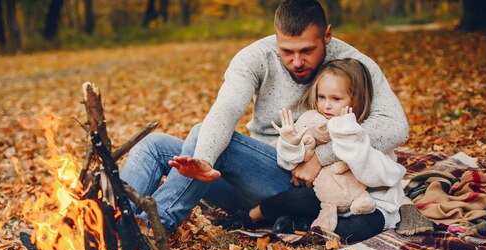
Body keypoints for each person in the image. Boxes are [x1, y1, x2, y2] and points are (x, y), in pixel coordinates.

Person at [120, 0, 408, 236]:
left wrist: (322, 156)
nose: (297, 61)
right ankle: (113, 224)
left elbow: (396, 126)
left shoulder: (352, 63)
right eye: (287, 51)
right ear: (276, 40)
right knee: (154, 145)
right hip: (254, 177)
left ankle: (155, 230)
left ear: (327, 36)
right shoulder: (255, 57)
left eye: (307, 50)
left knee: (199, 134)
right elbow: (226, 109)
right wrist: (205, 159)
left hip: (307, 189)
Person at [217, 58, 406, 243]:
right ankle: (252, 216)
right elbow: (288, 163)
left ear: (357, 101)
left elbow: (376, 177)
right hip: (325, 201)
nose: (326, 105)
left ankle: (304, 224)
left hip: (367, 204)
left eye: (336, 99)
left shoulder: (366, 133)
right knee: (301, 197)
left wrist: (350, 141)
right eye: (321, 97)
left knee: (361, 228)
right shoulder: (316, 126)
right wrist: (291, 143)